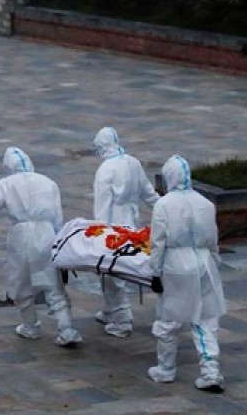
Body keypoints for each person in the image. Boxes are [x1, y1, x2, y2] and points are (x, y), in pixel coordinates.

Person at [0, 146, 82, 347]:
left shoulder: (7, 184)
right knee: (53, 285)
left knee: (22, 283)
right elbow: (58, 218)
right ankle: (66, 329)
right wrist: (61, 251)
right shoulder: (48, 182)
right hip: (47, 234)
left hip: (21, 237)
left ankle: (30, 327)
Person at [147, 154, 227, 393]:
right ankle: (210, 370)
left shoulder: (163, 204)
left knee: (170, 316)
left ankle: (166, 369)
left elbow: (158, 243)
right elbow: (213, 240)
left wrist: (155, 272)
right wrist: (214, 262)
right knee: (206, 317)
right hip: (204, 262)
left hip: (176, 264)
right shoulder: (205, 203)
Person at [91, 126, 161, 338]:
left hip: (114, 225)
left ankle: (122, 318)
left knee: (112, 270)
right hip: (132, 221)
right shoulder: (133, 162)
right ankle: (109, 309)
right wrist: (167, 208)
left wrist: (99, 234)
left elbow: (101, 207)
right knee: (110, 271)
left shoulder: (105, 169)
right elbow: (149, 193)